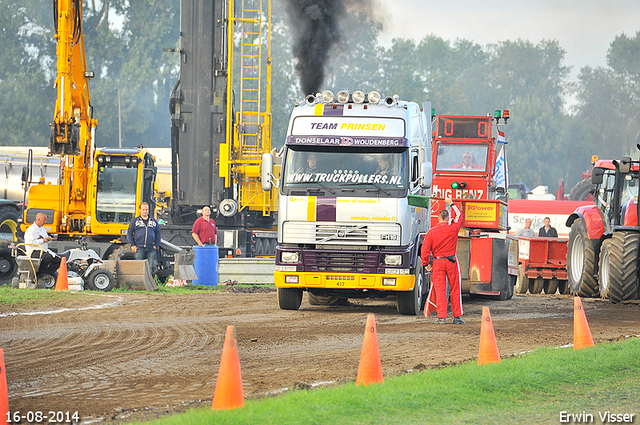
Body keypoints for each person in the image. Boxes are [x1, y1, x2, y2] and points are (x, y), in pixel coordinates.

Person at [421, 197, 464, 324]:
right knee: (455, 289)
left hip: (438, 262)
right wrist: (451, 204)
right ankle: (457, 317)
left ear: (439, 218)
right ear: (447, 218)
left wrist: (426, 264)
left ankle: (442, 317)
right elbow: (459, 216)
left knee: (440, 290)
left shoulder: (431, 232)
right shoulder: (453, 228)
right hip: (452, 261)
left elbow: (425, 250)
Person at [24, 212, 61, 277]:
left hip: (44, 250)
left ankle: (47, 273)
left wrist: (50, 239)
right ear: (38, 219)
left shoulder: (43, 229)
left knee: (58, 260)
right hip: (34, 250)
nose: (45, 222)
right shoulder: (31, 229)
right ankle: (40, 273)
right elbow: (30, 243)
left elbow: (45, 240)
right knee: (47, 257)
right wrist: (42, 240)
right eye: (44, 220)